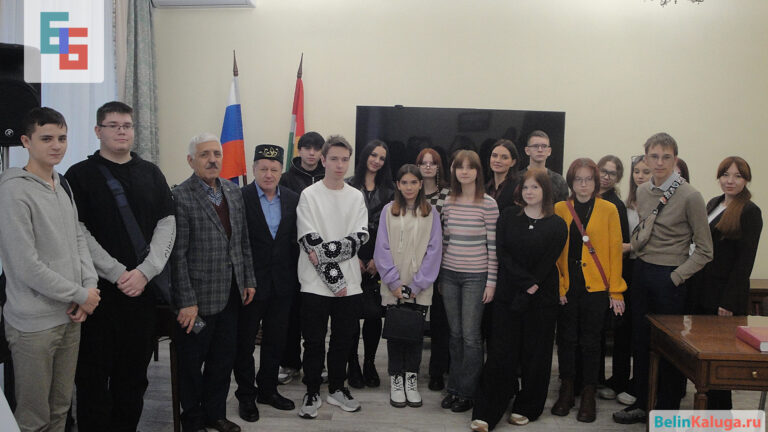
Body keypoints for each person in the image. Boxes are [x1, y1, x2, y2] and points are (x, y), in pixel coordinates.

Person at [65, 101, 176, 432]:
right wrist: (117, 273)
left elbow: (167, 223)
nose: (121, 131)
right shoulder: (79, 175)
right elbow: (78, 232)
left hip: (141, 295)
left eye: (126, 125)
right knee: (92, 378)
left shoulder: (151, 173)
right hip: (97, 296)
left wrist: (145, 272)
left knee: (133, 378)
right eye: (113, 125)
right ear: (98, 131)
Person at [0, 107, 101, 432]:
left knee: (60, 409)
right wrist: (80, 294)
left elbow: (77, 239)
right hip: (34, 324)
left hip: (71, 315)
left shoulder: (62, 183)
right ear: (26, 142)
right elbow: (26, 265)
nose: (56, 145)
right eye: (46, 138)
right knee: (34, 418)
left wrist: (89, 287)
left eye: (62, 138)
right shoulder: (13, 190)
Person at [613, 133, 713, 424]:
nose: (659, 162)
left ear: (675, 159)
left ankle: (666, 411)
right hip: (642, 271)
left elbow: (705, 250)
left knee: (669, 350)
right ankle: (642, 403)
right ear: (645, 158)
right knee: (641, 343)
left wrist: (677, 277)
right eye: (654, 157)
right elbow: (644, 234)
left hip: (669, 277)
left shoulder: (691, 196)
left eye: (666, 157)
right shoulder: (643, 191)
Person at [171, 133, 257, 432]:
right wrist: (186, 301)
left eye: (216, 154)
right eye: (204, 154)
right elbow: (177, 255)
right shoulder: (180, 196)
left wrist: (248, 279)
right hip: (196, 301)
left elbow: (242, 240)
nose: (212, 160)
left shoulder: (233, 191)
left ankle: (215, 413)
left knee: (223, 359)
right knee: (191, 362)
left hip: (231, 294)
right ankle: (192, 419)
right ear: (191, 160)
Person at [470, 169, 567, 431]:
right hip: (509, 294)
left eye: (535, 187)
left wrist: (534, 284)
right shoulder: (508, 217)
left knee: (536, 354)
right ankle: (488, 410)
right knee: (501, 352)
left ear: (546, 191)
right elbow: (502, 252)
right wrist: (526, 283)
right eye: (525, 188)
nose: (529, 192)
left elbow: (549, 260)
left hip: (542, 298)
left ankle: (528, 406)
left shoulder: (558, 224)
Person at [295, 135, 369, 419]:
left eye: (344, 159)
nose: (340, 165)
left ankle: (337, 388)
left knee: (343, 340)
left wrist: (339, 281)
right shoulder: (309, 195)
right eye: (334, 159)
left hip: (350, 285)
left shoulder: (356, 196)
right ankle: (312, 389)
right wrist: (335, 282)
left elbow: (358, 238)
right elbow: (310, 242)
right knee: (313, 341)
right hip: (314, 284)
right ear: (323, 160)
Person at [551, 158, 626, 423]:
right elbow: (554, 251)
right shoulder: (560, 208)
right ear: (571, 182)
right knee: (567, 339)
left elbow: (615, 251)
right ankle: (567, 387)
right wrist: (558, 285)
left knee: (591, 341)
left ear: (596, 182)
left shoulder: (609, 209)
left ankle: (589, 392)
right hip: (568, 283)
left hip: (596, 285)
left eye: (588, 179)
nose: (583, 185)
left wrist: (616, 291)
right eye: (578, 179)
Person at [689, 156, 762, 409]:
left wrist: (728, 302)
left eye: (737, 176)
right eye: (725, 175)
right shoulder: (714, 203)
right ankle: (706, 411)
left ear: (746, 180)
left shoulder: (750, 211)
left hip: (724, 298)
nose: (730, 181)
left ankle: (721, 414)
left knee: (718, 364)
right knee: (703, 358)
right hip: (703, 291)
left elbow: (744, 262)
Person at [234, 145, 300, 423]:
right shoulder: (240, 197)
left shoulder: (293, 198)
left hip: (283, 284)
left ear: (281, 171)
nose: (269, 174)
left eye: (274, 169)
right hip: (251, 284)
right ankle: (246, 395)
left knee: (276, 340)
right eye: (263, 168)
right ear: (254, 169)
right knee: (245, 343)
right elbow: (235, 243)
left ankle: (268, 390)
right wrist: (243, 279)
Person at [374, 164, 442, 408]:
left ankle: (411, 378)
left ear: (421, 184)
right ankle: (396, 378)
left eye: (414, 182)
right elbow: (381, 248)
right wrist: (393, 281)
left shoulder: (430, 212)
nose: (409, 187)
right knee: (396, 333)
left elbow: (434, 250)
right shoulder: (388, 211)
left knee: (414, 334)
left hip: (420, 285)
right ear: (398, 185)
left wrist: (418, 284)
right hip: (393, 284)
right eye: (404, 182)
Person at [439, 150, 498, 413]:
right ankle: (454, 388)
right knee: (455, 335)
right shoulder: (448, 201)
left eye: (470, 167)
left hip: (476, 276)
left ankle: (468, 392)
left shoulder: (488, 203)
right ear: (453, 170)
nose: (464, 171)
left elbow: (493, 247)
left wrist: (491, 282)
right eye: (459, 167)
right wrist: (442, 276)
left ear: (478, 171)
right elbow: (445, 241)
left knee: (471, 337)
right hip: (450, 274)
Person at [277, 131, 326, 385]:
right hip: (293, 253)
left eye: (316, 148)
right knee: (292, 312)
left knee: (317, 314)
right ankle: (290, 363)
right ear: (300, 150)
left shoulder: (329, 177)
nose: (312, 153)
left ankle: (316, 364)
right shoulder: (286, 178)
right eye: (307, 148)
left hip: (322, 254)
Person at [345, 139, 394, 389]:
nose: (376, 161)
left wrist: (378, 258)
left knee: (374, 315)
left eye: (382, 158)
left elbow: (392, 229)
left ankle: (370, 363)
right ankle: (352, 364)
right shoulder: (348, 185)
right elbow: (341, 224)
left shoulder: (390, 191)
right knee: (351, 315)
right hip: (350, 255)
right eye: (373, 155)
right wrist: (352, 256)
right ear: (365, 156)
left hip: (378, 257)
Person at [594, 155, 630, 401]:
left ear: (618, 178)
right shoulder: (584, 196)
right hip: (582, 273)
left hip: (604, 276)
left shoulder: (615, 205)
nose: (606, 176)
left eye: (612, 173)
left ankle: (596, 380)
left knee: (598, 333)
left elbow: (619, 245)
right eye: (603, 171)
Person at [416, 148, 451, 391]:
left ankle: (437, 371)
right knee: (413, 320)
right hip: (414, 266)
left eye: (433, 163)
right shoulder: (411, 191)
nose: (428, 166)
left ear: (439, 167)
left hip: (440, 265)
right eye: (423, 163)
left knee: (440, 322)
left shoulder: (448, 195)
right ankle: (409, 368)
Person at [521, 130, 568, 202]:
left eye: (544, 146)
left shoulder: (559, 181)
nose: (540, 150)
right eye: (535, 146)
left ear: (549, 151)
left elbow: (563, 207)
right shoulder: (517, 179)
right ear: (527, 150)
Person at [485, 139, 520, 211]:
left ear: (513, 162)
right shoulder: (484, 188)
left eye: (504, 157)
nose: (497, 160)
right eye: (494, 156)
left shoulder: (518, 187)